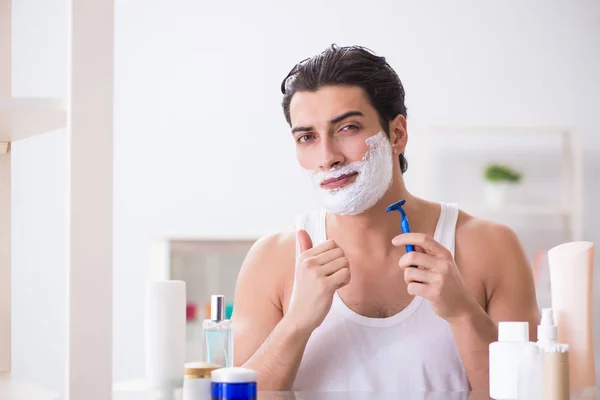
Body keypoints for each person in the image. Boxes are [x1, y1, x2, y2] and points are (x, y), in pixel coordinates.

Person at [231, 44, 540, 392]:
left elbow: (526, 394)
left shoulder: (490, 247)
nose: (327, 156)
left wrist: (462, 314)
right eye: (307, 137)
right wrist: (297, 324)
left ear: (397, 134)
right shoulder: (272, 259)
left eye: (347, 128)